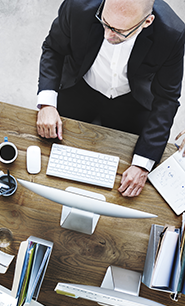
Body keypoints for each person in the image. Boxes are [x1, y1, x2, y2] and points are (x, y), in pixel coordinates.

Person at [36, 0, 185, 198]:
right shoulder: (77, 6)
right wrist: (47, 103)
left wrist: (142, 164)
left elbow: (166, 98)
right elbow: (53, 49)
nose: (107, 35)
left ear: (147, 22)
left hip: (132, 103)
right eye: (104, 22)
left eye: (119, 31)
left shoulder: (172, 33)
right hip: (79, 89)